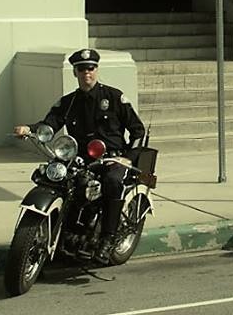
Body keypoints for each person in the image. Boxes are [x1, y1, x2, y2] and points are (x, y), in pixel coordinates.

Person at [13, 48, 145, 263]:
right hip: (79, 157)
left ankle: (107, 239)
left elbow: (137, 130)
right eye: (81, 69)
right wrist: (29, 129)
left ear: (97, 70)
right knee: (57, 179)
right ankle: (70, 233)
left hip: (111, 159)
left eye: (90, 68)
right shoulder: (69, 102)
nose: (87, 73)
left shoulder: (114, 97)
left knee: (112, 182)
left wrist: (127, 158)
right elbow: (50, 124)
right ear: (75, 73)